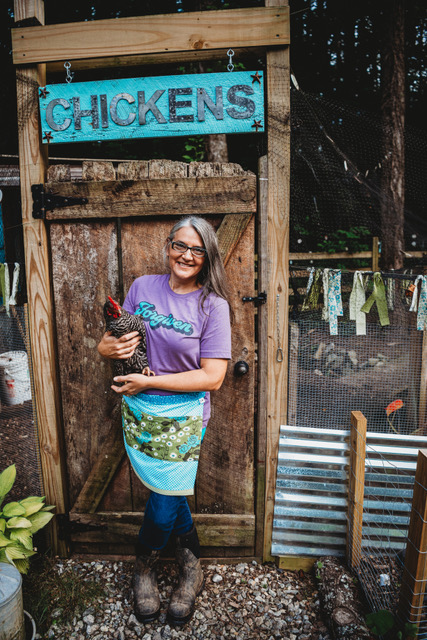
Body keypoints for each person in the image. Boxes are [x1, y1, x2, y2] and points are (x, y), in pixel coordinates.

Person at [97, 215, 232, 626]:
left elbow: (214, 377)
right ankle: (191, 563)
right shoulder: (142, 288)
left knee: (162, 500)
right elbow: (116, 340)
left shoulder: (213, 306)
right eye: (180, 245)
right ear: (168, 245)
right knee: (168, 491)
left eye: (197, 249)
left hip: (186, 415)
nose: (186, 255)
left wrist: (152, 382)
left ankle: (144, 567)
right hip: (140, 409)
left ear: (207, 256)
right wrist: (106, 347)